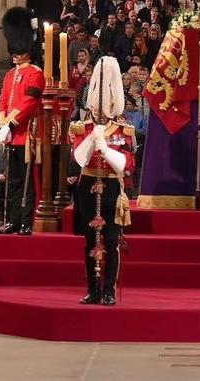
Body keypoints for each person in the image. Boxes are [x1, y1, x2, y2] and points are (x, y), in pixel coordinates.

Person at [71, 56, 135, 306]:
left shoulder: (122, 130)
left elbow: (125, 164)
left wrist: (105, 149)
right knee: (89, 240)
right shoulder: (82, 127)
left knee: (110, 240)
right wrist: (91, 139)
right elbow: (79, 159)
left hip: (110, 188)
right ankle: (92, 289)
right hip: (87, 187)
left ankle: (109, 289)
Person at [0, 7, 45, 236]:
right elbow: (3, 100)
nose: (14, 54)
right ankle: (13, 220)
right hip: (11, 135)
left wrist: (10, 124)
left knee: (27, 182)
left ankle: (26, 220)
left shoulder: (35, 73)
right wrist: (1, 125)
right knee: (13, 182)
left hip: (27, 134)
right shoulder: (8, 75)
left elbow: (29, 102)